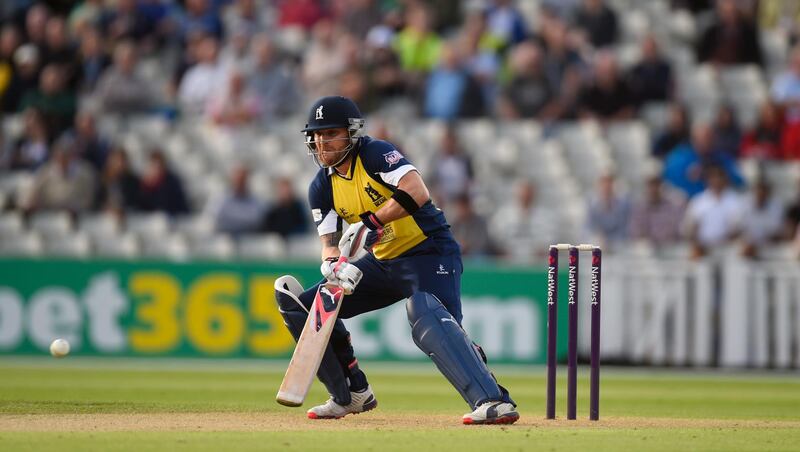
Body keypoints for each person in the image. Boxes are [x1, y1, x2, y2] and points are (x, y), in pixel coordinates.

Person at [274, 96, 518, 424]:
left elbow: (417, 191)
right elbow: (329, 243)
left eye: (330, 133)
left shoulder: (374, 153)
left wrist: (370, 223)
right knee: (311, 307)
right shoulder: (321, 186)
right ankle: (351, 393)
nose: (322, 142)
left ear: (351, 133)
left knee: (426, 314)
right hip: (381, 262)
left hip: (428, 252)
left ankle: (494, 401)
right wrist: (333, 264)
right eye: (316, 135)